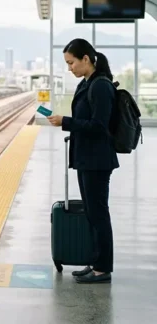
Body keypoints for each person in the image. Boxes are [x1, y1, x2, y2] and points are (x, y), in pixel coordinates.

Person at [47, 38, 118, 284]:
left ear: (85, 59)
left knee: (99, 213)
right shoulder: (87, 83)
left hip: (97, 160)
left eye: (71, 63)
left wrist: (65, 122)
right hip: (86, 158)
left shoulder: (100, 86)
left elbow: (99, 126)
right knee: (92, 212)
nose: (70, 68)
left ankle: (103, 268)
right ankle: (95, 261)